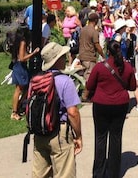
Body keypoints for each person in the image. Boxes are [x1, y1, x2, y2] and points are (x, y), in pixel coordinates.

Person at [86, 40, 136, 178]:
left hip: (101, 104)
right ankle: (113, 173)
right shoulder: (127, 67)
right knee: (116, 137)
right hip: (120, 104)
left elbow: (89, 85)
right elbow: (133, 86)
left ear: (108, 51)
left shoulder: (100, 67)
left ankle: (98, 173)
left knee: (100, 137)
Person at [32, 42, 82, 178]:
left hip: (40, 132)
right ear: (57, 60)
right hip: (59, 133)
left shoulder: (36, 81)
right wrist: (78, 136)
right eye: (62, 56)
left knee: (40, 174)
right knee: (64, 173)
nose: (65, 58)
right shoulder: (65, 81)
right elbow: (73, 112)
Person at [11, 28, 40, 120]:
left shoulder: (17, 41)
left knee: (25, 87)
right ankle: (15, 112)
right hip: (20, 66)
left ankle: (18, 106)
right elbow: (22, 58)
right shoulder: (23, 42)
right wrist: (33, 53)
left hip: (17, 66)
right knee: (19, 89)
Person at [79, 12, 104, 102]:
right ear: (96, 20)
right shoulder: (94, 32)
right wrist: (103, 54)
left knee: (86, 76)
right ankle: (85, 96)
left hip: (82, 55)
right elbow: (97, 45)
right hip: (89, 57)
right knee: (89, 78)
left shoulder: (83, 29)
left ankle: (89, 94)